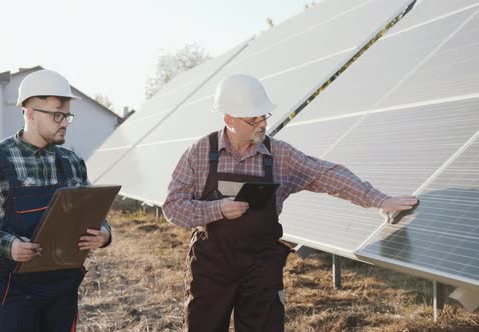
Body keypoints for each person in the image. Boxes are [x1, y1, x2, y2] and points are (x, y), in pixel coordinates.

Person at [162, 74, 418, 332]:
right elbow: (173, 207)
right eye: (253, 120)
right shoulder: (201, 152)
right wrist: (217, 209)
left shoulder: (280, 155)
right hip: (212, 264)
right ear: (229, 119)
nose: (262, 125)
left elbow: (326, 174)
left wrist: (379, 199)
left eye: (264, 117)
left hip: (261, 264)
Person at [0, 69, 112, 331]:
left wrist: (104, 233)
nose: (64, 122)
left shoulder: (72, 162)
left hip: (64, 286)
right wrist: (9, 245)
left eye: (67, 115)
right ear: (30, 113)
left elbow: (92, 210)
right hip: (15, 290)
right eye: (56, 115)